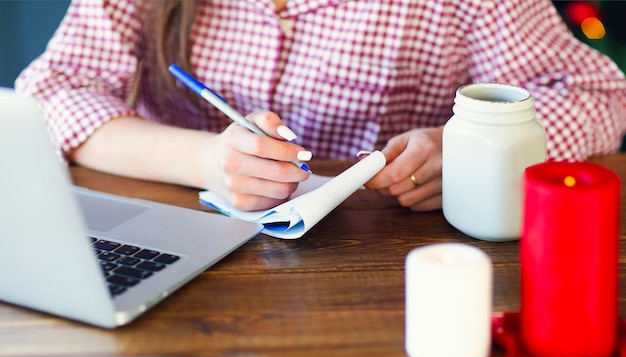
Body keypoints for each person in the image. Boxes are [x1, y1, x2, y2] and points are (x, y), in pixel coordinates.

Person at [16, 0, 626, 212]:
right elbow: (51, 90)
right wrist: (206, 161)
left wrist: (465, 145)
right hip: (180, 237)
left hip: (379, 276)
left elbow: (599, 96)